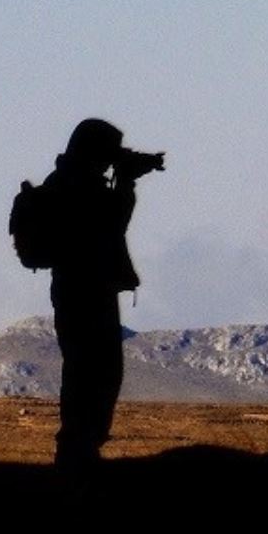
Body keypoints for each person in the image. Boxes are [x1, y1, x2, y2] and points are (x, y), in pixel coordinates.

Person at [45, 118, 162, 473]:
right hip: (84, 289)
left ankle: (81, 448)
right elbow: (112, 223)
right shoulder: (77, 185)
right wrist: (125, 183)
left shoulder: (72, 181)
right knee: (94, 371)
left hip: (83, 287)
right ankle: (78, 450)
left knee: (93, 371)